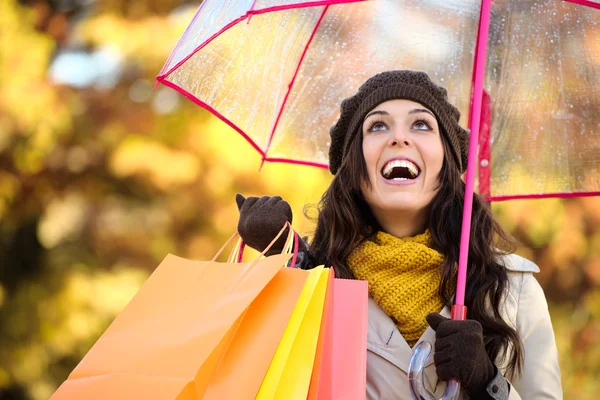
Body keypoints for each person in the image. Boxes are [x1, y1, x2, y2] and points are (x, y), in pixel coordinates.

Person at [235, 71, 562, 399]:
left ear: (445, 160)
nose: (399, 137)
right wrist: (284, 258)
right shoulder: (312, 280)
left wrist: (487, 382)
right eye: (377, 126)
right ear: (354, 165)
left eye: (421, 124)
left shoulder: (513, 290)